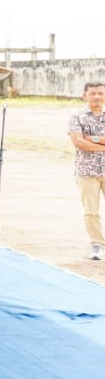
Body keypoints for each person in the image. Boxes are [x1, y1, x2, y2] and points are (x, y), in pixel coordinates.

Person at [67, 81, 105, 260]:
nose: (97, 97)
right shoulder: (77, 116)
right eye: (93, 93)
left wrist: (93, 138)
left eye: (100, 93)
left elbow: (86, 140)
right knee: (91, 211)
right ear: (85, 95)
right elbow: (78, 141)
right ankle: (97, 244)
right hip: (86, 171)